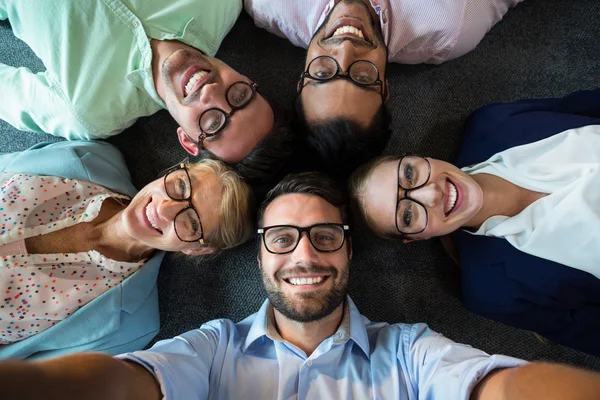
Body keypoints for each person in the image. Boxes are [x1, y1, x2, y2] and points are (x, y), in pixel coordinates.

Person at [3, 172, 600, 400]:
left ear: (349, 250)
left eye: (324, 235)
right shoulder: (211, 350)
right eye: (283, 237)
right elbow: (120, 383)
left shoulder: (411, 354)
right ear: (260, 255)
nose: (306, 254)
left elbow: (497, 389)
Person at [349, 88, 600, 356]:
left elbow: (585, 104)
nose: (432, 193)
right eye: (408, 215)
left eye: (410, 173)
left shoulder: (492, 121)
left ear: (419, 157)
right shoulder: (493, 293)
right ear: (414, 238)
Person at [0, 140, 255, 359]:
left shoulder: (129, 327)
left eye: (190, 223)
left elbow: (28, 376)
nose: (163, 209)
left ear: (197, 250)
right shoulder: (95, 157)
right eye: (180, 187)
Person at [0, 0, 295, 182]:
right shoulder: (220, 4)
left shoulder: (91, 111)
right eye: (240, 96)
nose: (212, 93)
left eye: (213, 123)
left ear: (188, 142)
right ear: (246, 78)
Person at [245, 0, 523, 177]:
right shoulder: (450, 28)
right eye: (363, 77)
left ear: (302, 78)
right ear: (385, 89)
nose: (345, 50)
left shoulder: (268, 5)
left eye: (322, 73)